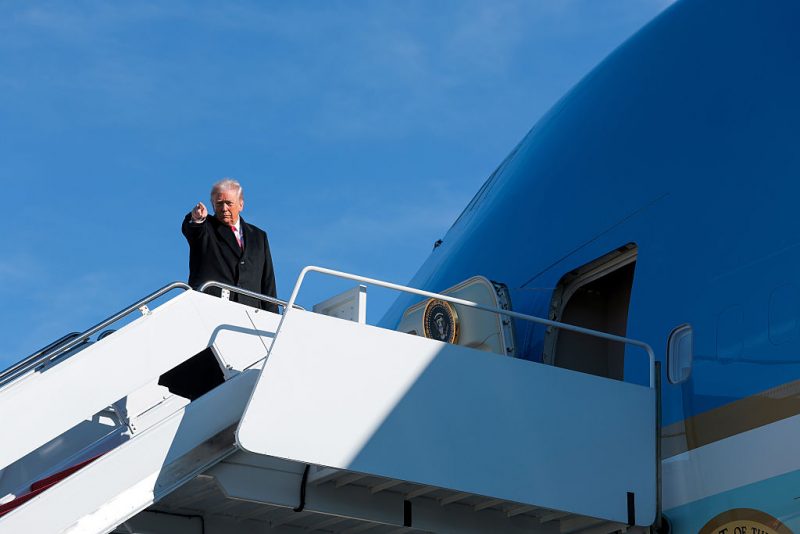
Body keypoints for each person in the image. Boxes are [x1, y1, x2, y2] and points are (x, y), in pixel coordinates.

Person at [181, 178, 278, 312]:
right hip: (211, 308)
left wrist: (273, 317)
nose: (224, 208)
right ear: (213, 204)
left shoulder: (259, 236)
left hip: (252, 313)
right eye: (219, 203)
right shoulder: (206, 227)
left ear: (241, 204)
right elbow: (192, 230)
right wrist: (197, 218)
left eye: (229, 203)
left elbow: (268, 282)